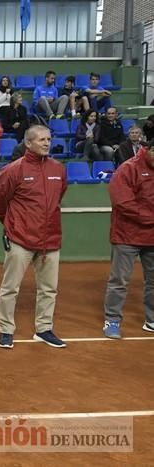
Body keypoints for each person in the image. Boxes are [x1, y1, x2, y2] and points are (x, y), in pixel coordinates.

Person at [0, 125, 68, 350]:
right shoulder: (13, 170)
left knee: (49, 288)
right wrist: (14, 225)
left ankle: (44, 329)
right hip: (20, 239)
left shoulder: (58, 169)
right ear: (28, 143)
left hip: (50, 239)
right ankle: (6, 330)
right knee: (10, 288)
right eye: (42, 140)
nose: (46, 143)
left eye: (48, 139)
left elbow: (58, 197)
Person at [102, 142, 154, 339]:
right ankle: (112, 319)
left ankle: (152, 320)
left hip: (152, 237)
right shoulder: (128, 169)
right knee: (119, 281)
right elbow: (123, 203)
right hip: (126, 236)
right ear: (150, 150)